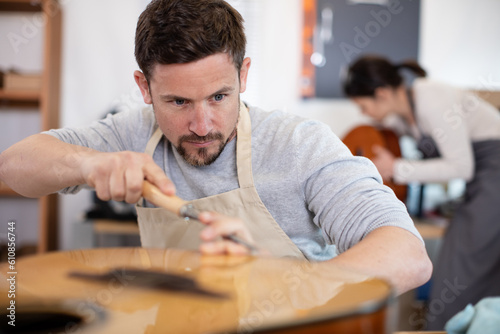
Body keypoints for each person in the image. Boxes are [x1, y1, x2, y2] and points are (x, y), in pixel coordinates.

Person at [0, 1, 431, 295]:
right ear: (143, 87)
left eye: (220, 97)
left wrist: (284, 284)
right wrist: (90, 164)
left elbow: (407, 254)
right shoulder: (132, 133)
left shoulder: (300, 145)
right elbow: (14, 167)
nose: (202, 125)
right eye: (178, 102)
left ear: (244, 76)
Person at [343, 54, 500, 329]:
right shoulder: (406, 116)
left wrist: (397, 167)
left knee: (462, 256)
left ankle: (446, 326)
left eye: (362, 105)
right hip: (483, 179)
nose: (363, 113)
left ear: (381, 93)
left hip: (495, 171)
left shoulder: (430, 96)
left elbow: (461, 167)